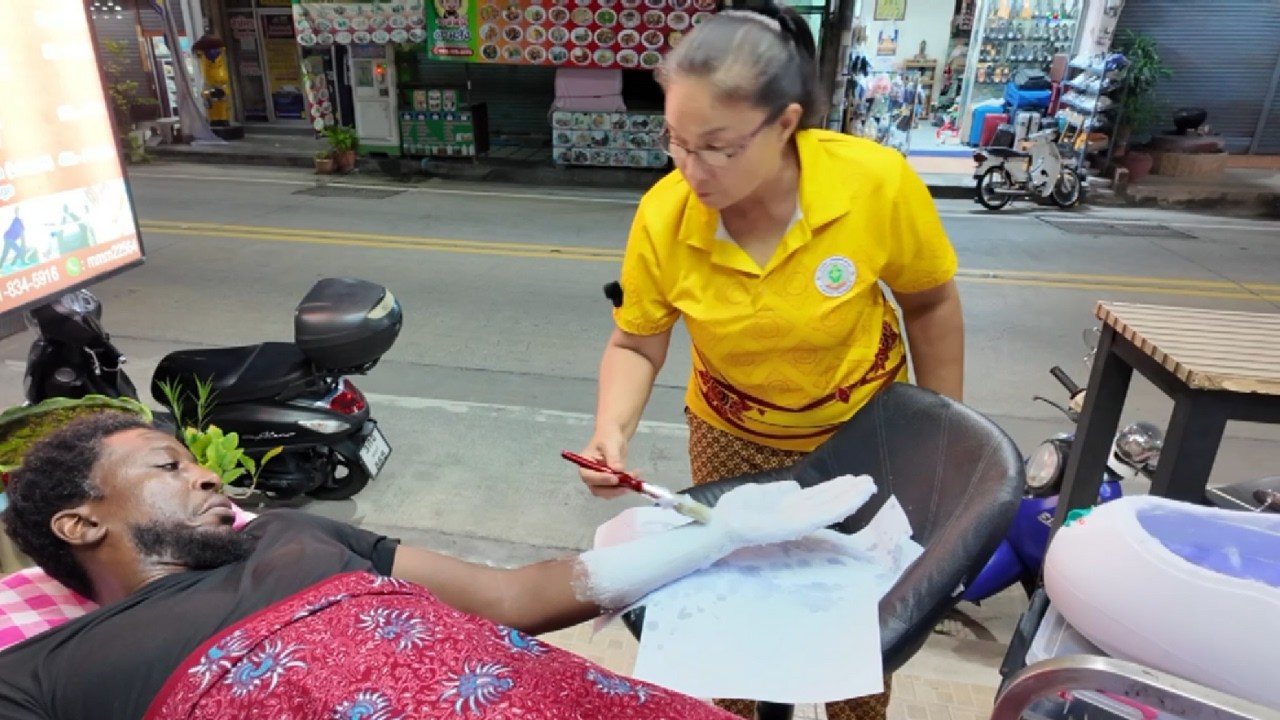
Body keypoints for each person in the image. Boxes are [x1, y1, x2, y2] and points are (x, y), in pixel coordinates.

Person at [575, 4, 964, 720]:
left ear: (785, 124)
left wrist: (941, 433)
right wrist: (612, 431)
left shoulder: (873, 185)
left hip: (865, 432)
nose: (691, 169)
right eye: (676, 142)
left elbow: (931, 304)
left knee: (854, 634)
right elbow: (636, 339)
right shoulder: (665, 216)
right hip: (731, 437)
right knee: (737, 630)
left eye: (718, 146)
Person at [0, 411, 874, 719]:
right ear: (80, 523)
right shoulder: (45, 673)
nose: (207, 472)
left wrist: (717, 535)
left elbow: (513, 596)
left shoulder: (290, 536)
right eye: (167, 465)